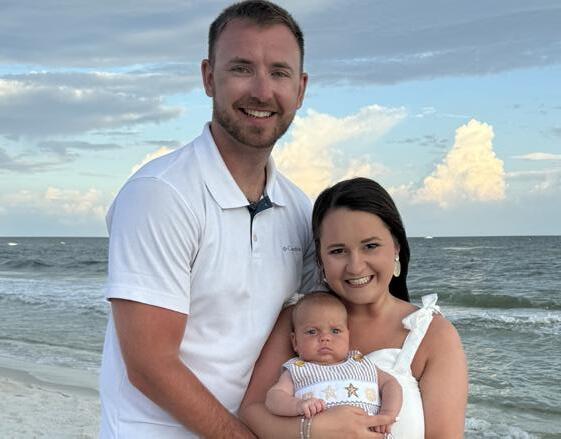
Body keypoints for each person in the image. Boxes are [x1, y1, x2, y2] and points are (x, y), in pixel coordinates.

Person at [99, 1, 316, 438]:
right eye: (241, 68)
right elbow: (149, 364)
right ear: (208, 77)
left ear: (300, 89)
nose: (262, 91)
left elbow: (320, 323)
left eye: (279, 72)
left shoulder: (299, 209)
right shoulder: (161, 193)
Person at [240, 177, 468, 438]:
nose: (356, 266)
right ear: (320, 257)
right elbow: (252, 412)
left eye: (370, 246)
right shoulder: (300, 319)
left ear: (396, 246)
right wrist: (315, 429)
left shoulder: (431, 335)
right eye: (338, 251)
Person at [265, 292, 402, 435]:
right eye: (312, 332)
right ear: (295, 342)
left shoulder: (360, 362)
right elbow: (274, 397)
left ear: (348, 335)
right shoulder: (297, 369)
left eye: (335, 331)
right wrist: (298, 405)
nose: (325, 338)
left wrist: (388, 414)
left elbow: (391, 384)